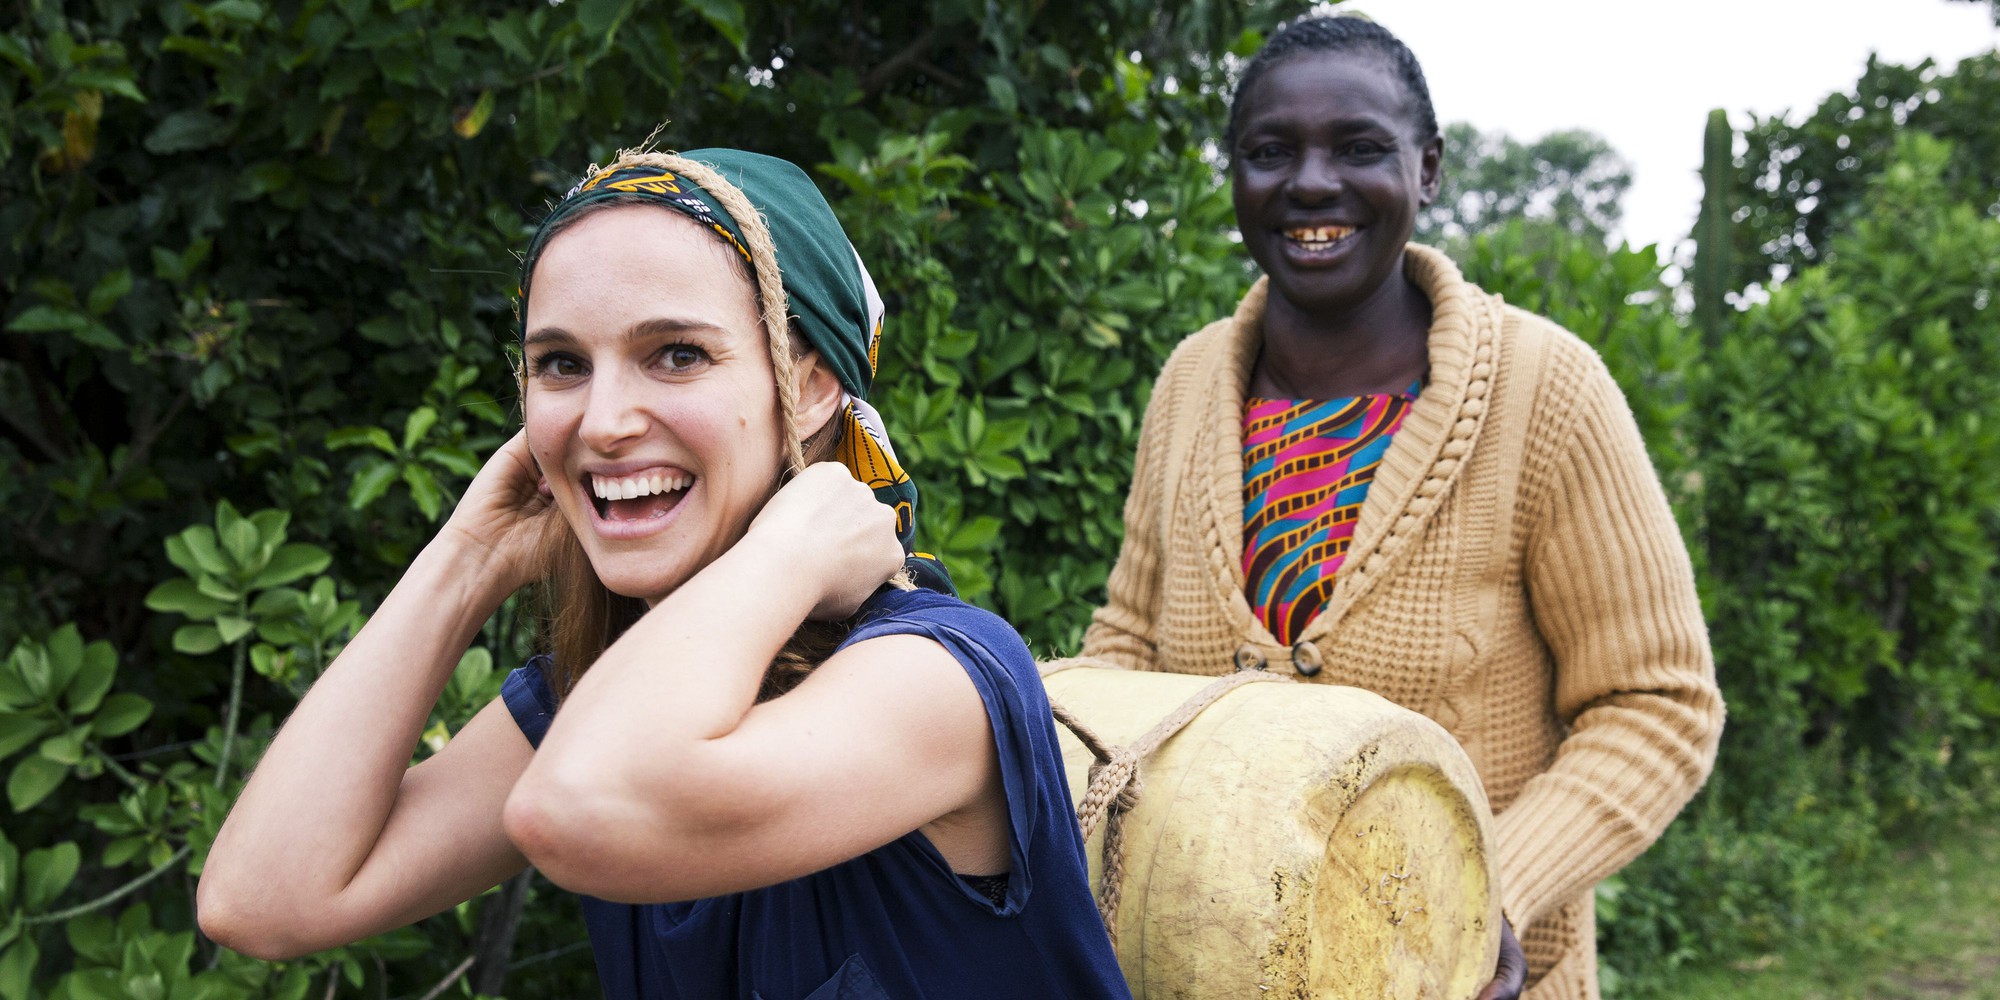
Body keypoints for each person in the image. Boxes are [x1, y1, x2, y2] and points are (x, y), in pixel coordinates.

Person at [197, 147, 1131, 1000]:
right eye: (561, 364)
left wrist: (790, 547)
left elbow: (583, 806)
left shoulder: (938, 677)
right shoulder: (599, 707)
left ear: (807, 386)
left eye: (675, 355)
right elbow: (264, 900)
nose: (602, 421)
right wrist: (466, 559)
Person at [1071, 17, 1724, 1000]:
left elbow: (1656, 704)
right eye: (1269, 152)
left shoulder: (1543, 391)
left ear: (1425, 171)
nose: (1310, 183)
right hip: (1197, 970)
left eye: (1358, 147)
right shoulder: (1190, 384)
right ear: (1234, 179)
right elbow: (1126, 648)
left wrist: (1480, 893)